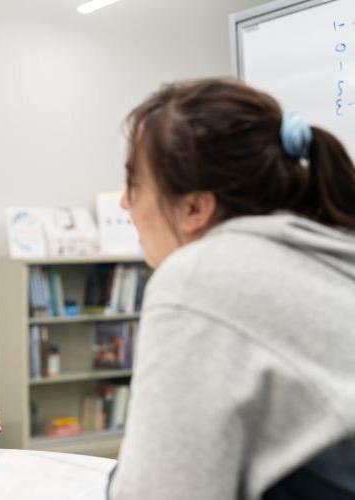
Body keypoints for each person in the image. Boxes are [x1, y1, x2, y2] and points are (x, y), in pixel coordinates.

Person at [109, 78, 355, 499]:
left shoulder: (199, 275)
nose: (124, 203)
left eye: (135, 183)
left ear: (194, 208)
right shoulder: (331, 251)